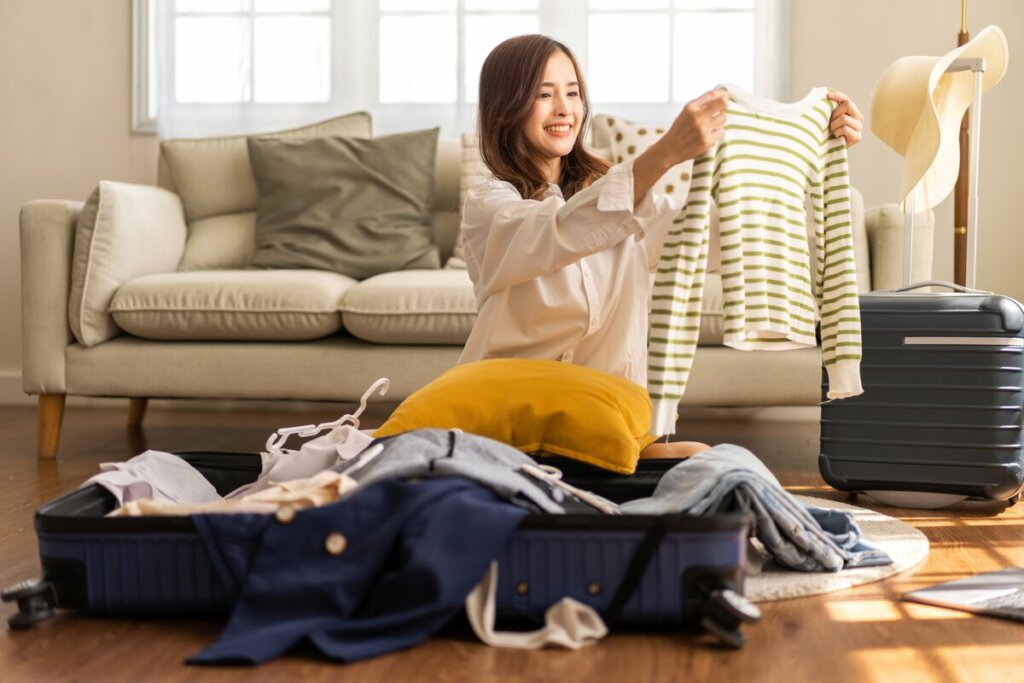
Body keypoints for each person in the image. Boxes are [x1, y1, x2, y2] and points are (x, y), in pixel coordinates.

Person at [457, 34, 864, 459]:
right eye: (544, 94)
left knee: (714, 462)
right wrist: (666, 152)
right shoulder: (490, 206)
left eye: (573, 93)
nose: (564, 108)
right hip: (506, 420)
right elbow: (561, 230)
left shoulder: (625, 199)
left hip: (602, 425)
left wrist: (810, 156)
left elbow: (717, 233)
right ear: (506, 106)